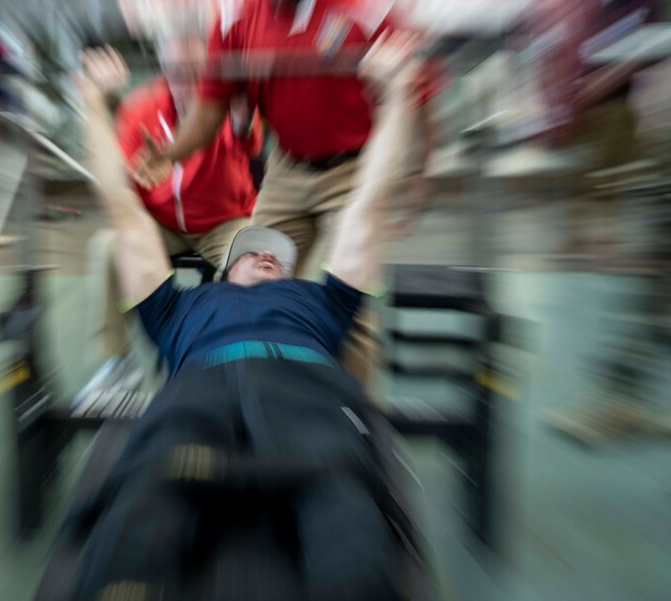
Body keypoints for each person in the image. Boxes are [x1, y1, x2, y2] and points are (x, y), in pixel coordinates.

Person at [67, 30, 428, 600]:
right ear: (225, 268)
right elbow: (121, 209)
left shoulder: (323, 303)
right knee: (141, 513)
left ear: (292, 272)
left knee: (349, 522)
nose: (267, 255)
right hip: (195, 402)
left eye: (278, 256)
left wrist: (400, 93)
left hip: (306, 402)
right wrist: (91, 101)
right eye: (254, 252)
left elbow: (369, 205)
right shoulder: (175, 309)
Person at [132, 0, 444, 386]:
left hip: (352, 171)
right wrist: (169, 152)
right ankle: (251, 395)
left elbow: (419, 94)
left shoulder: (368, 3)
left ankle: (356, 424)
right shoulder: (238, 11)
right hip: (287, 170)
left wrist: (422, 171)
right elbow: (210, 110)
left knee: (352, 306)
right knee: (246, 287)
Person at [81, 34, 262, 399]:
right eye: (178, 73)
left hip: (224, 221)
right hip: (160, 223)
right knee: (109, 248)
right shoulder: (139, 109)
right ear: (164, 70)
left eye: (198, 72)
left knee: (257, 259)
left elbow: (247, 137)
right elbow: (119, 185)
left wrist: (241, 112)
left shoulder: (225, 105)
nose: (189, 83)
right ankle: (117, 363)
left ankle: (249, 365)